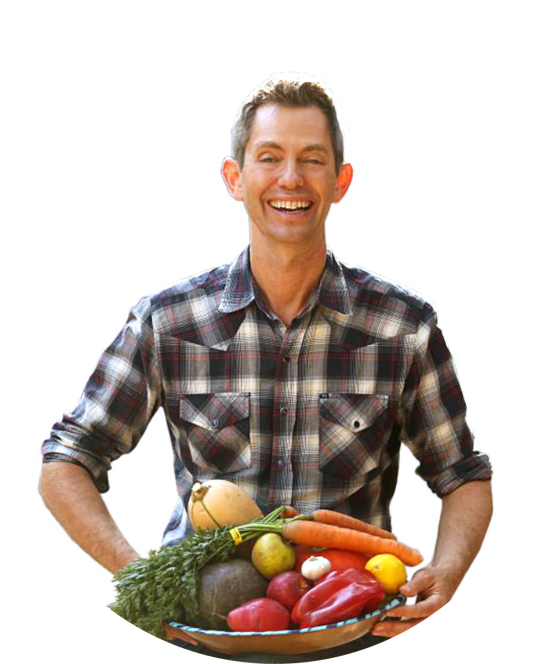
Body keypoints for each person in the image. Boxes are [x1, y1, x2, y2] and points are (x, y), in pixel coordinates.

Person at [38, 70, 493, 647]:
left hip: (355, 630)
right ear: (234, 177)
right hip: (201, 634)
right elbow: (66, 460)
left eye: (312, 159)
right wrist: (141, 576)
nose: (290, 178)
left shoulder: (402, 327)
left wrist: (447, 573)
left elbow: (463, 476)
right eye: (269, 156)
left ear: (340, 181)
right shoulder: (168, 321)